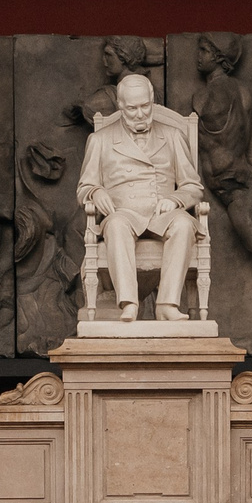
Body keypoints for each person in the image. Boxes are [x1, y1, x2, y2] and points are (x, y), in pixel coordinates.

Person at [77, 72, 204, 322]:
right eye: (132, 108)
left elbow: (194, 186)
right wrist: (95, 191)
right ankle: (129, 304)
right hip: (124, 213)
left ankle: (166, 304)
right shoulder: (100, 140)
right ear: (121, 106)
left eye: (145, 106)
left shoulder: (173, 136)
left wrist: (177, 199)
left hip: (163, 213)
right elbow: (84, 186)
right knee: (114, 225)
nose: (140, 114)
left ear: (152, 101)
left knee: (184, 223)